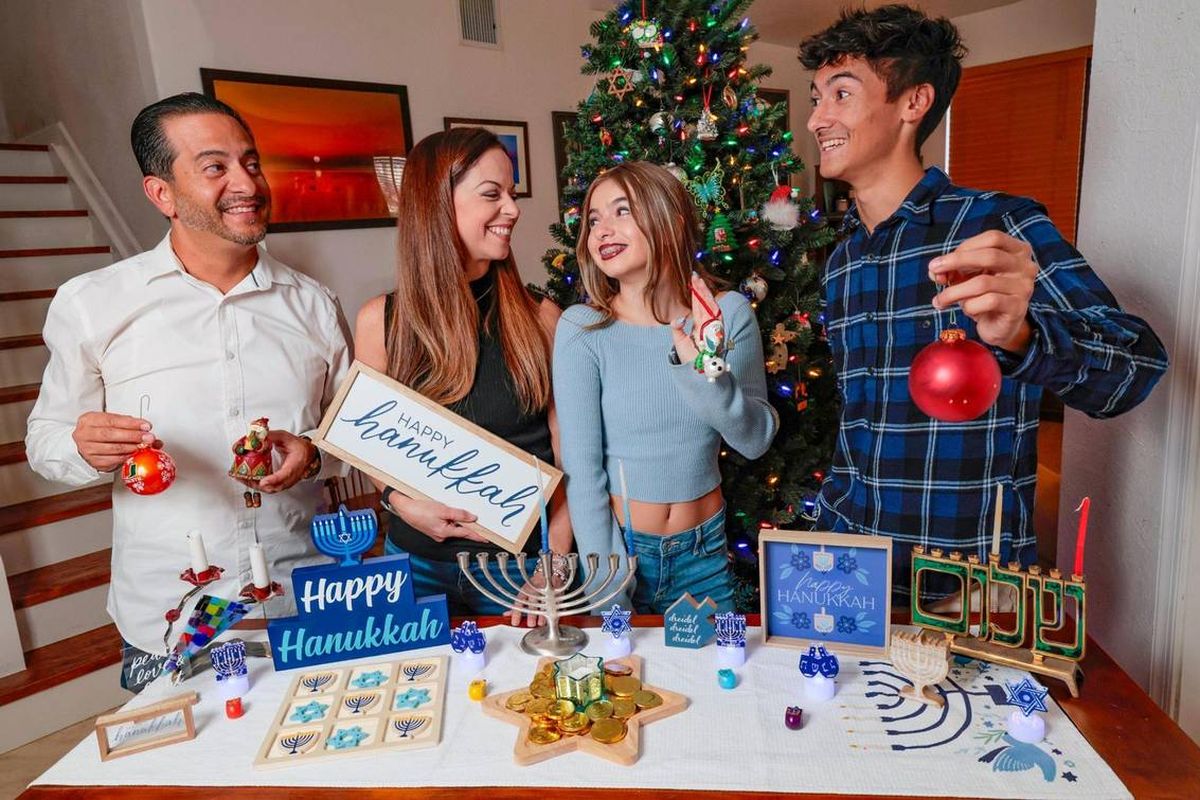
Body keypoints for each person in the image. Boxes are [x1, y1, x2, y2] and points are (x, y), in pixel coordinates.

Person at [798, 5, 1168, 602]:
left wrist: (1023, 336)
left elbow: (1136, 368)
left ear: (913, 103)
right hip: (849, 569)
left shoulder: (996, 225)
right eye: (816, 98)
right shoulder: (843, 259)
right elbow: (859, 422)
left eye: (841, 94)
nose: (817, 118)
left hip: (966, 584)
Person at [25, 93, 351, 689]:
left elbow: (352, 440)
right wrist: (81, 446)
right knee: (188, 752)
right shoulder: (93, 303)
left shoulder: (315, 306)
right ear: (162, 194)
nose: (246, 183)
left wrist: (313, 454)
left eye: (250, 163)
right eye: (214, 167)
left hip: (305, 598)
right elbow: (45, 440)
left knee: (326, 740)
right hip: (171, 618)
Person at [353, 127, 570, 625]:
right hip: (413, 565)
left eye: (511, 194)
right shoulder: (379, 321)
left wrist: (553, 566)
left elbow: (571, 456)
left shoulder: (542, 318)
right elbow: (368, 446)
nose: (512, 209)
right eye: (492, 194)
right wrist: (399, 503)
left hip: (519, 573)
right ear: (435, 205)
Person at [554, 161, 778, 613]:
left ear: (671, 220)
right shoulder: (582, 329)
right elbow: (583, 472)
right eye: (593, 219)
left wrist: (702, 368)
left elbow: (755, 440)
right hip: (622, 554)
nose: (601, 230)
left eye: (622, 211)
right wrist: (607, 588)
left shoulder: (726, 314)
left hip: (704, 554)